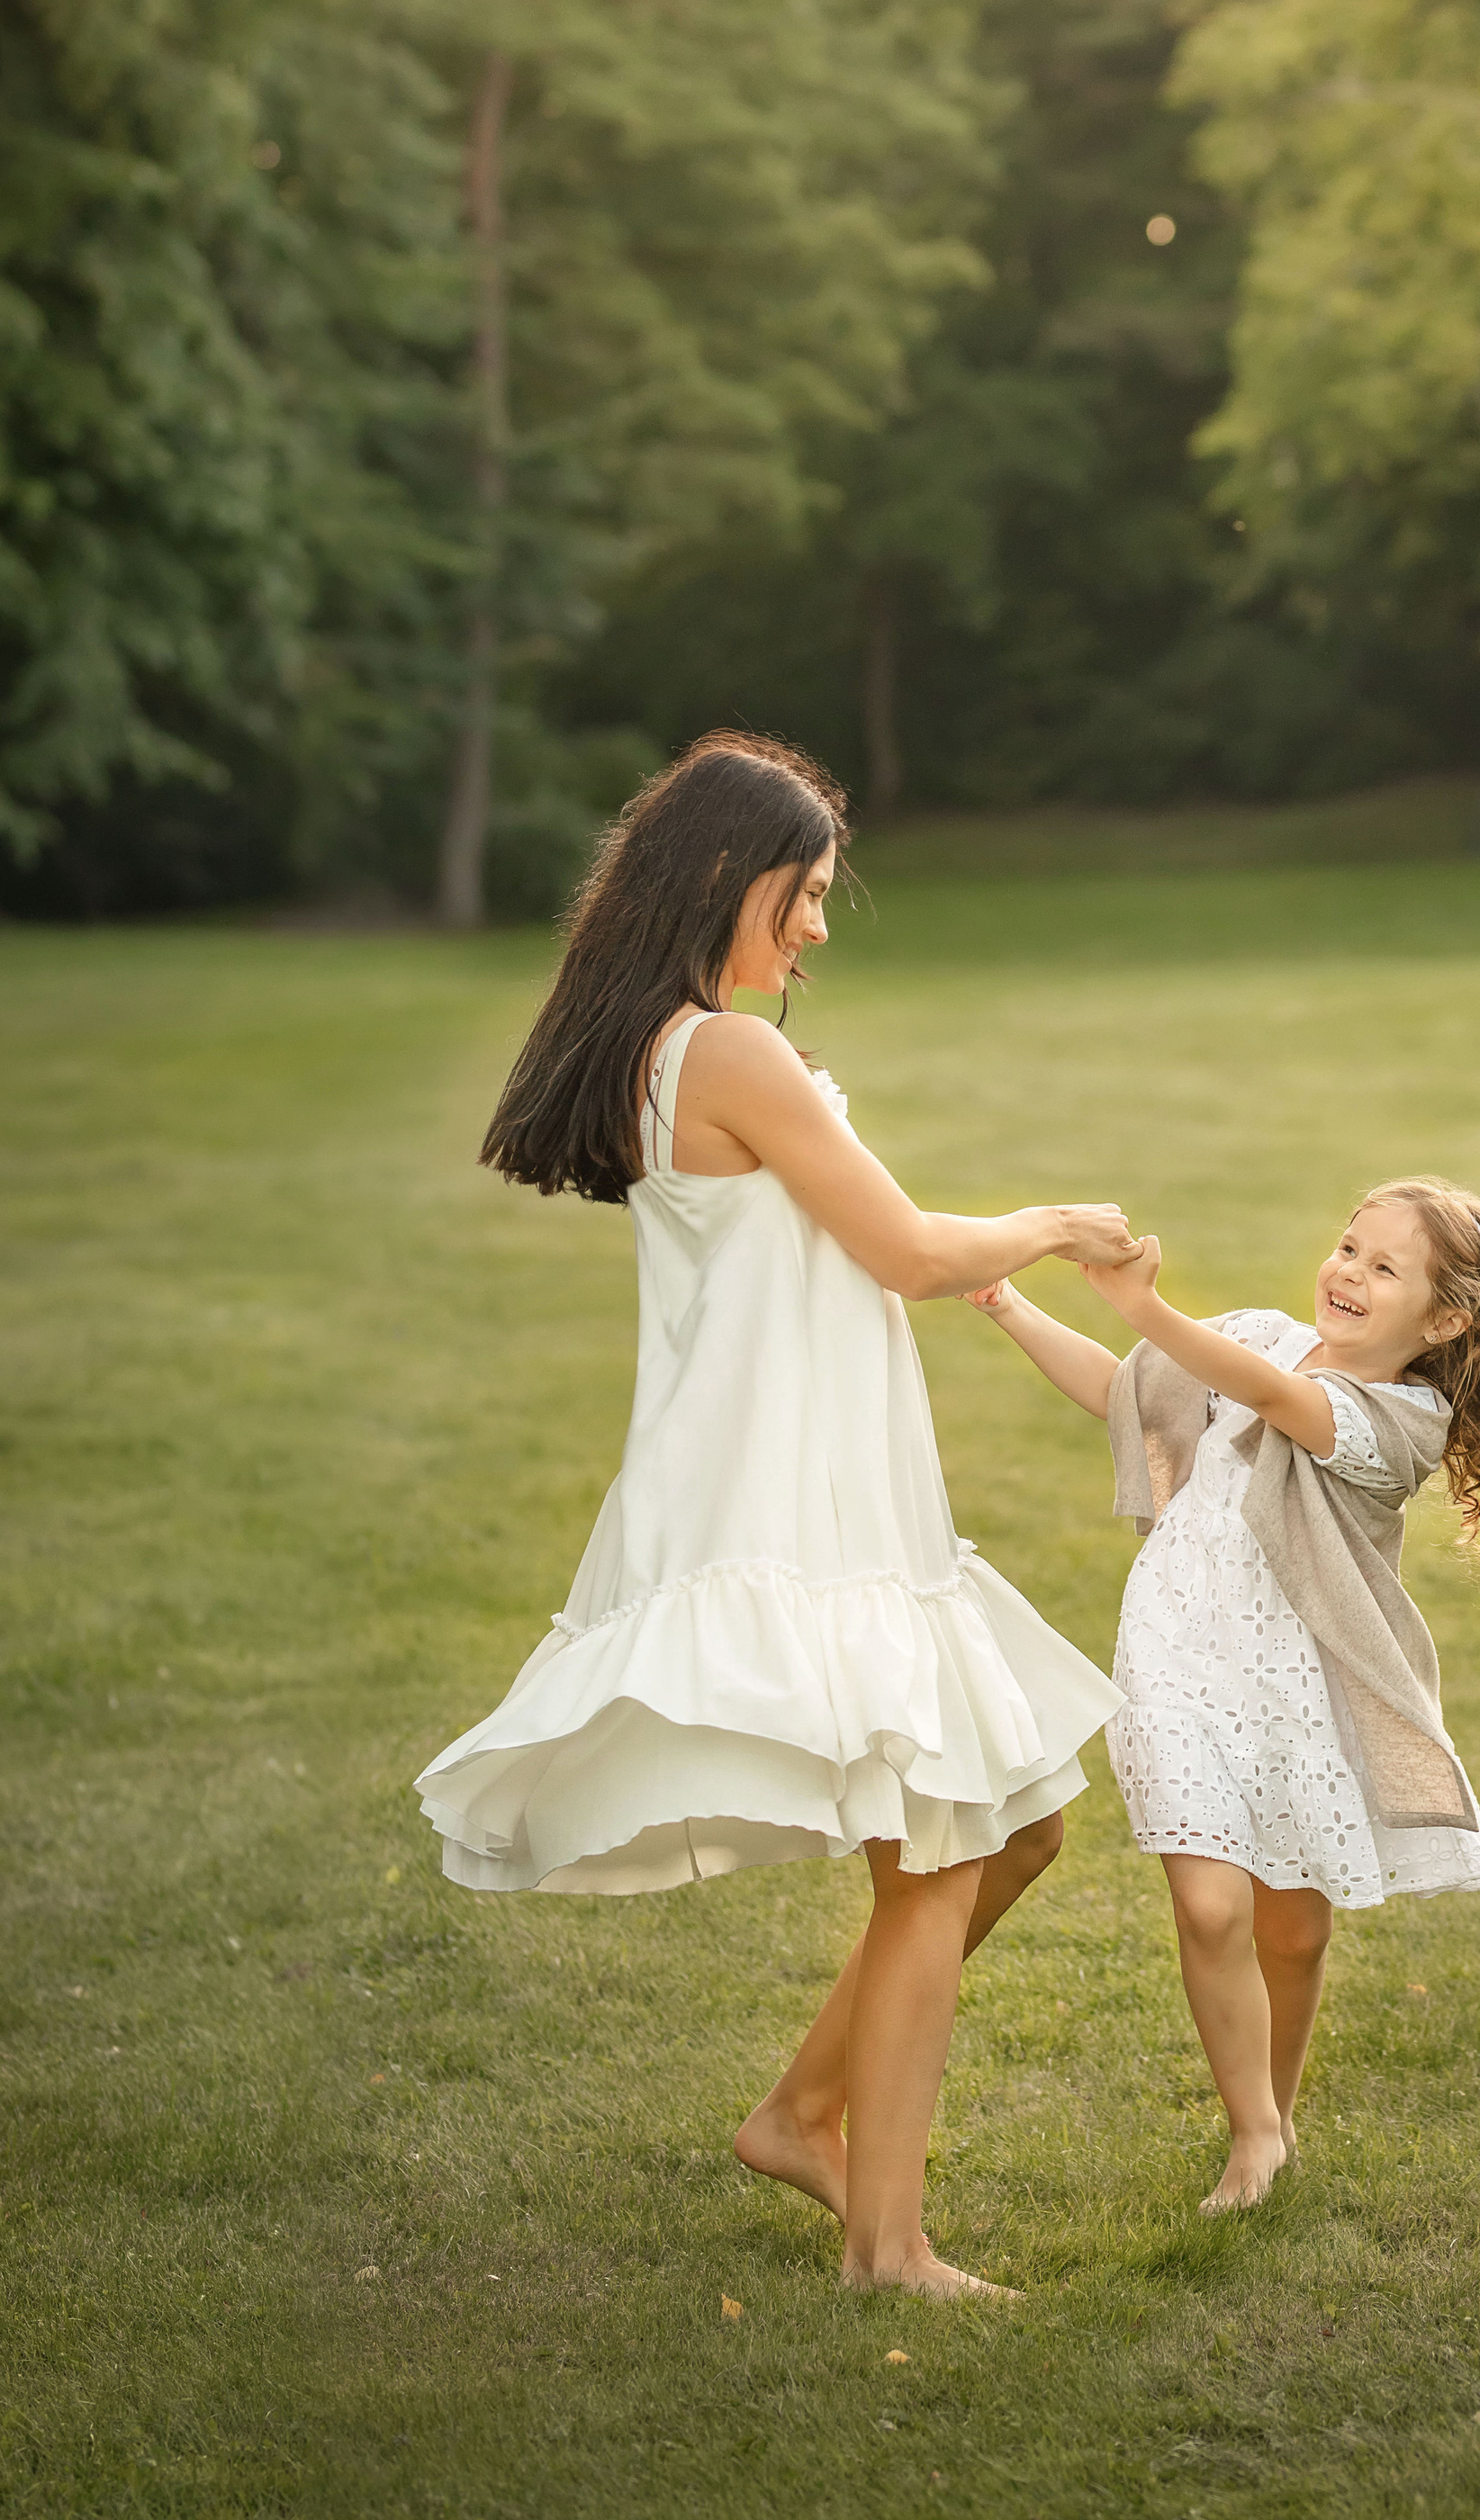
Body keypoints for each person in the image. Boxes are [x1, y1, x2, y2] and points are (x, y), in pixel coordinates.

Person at [415, 732, 1138, 2299]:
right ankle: (887, 2246)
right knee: (949, 1848)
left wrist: (981, 1246)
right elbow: (904, 1251)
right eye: (805, 893)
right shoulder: (725, 1055)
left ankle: (806, 2114)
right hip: (794, 1498)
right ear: (725, 879)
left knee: (1010, 1825)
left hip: (824, 1478)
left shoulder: (684, 1049)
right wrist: (1061, 1225)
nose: (818, 925)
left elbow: (863, 1243)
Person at [970, 1180, 1480, 2212]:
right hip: (1176, 1649)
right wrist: (1008, 1302)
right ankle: (1254, 2133)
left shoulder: (1403, 1421)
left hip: (1305, 1679)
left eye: (1383, 1268)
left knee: (1294, 1930)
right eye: (1348, 1247)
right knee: (1211, 1905)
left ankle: (1274, 2111)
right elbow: (1123, 1393)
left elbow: (1280, 1405)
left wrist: (1143, 1304)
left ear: (1443, 1322)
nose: (1348, 1274)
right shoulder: (1258, 1338)